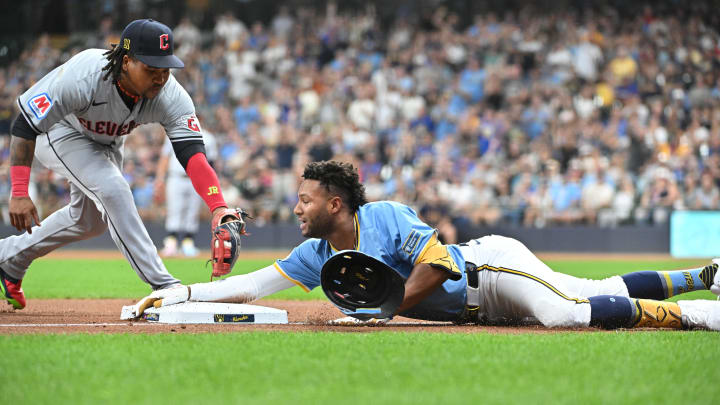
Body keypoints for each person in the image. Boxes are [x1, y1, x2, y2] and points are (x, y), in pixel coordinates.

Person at [133, 161, 720, 330]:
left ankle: (698, 315)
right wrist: (178, 291)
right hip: (480, 311)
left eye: (306, 200)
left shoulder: (385, 216)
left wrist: (384, 311)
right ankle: (704, 277)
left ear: (335, 204)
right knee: (599, 290)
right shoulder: (317, 253)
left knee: (566, 314)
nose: (296, 208)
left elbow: (440, 264)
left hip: (489, 269)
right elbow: (254, 285)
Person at [0, 19, 235, 310]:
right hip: (59, 131)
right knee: (114, 190)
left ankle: (10, 258)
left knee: (87, 222)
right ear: (126, 62)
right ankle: (164, 285)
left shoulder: (170, 94)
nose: (160, 78)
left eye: (165, 70)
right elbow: (24, 123)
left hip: (106, 143)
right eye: (151, 69)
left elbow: (192, 154)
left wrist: (218, 206)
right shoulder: (85, 74)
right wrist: (20, 192)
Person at [155, 126, 219, 257]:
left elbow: (210, 163)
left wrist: (209, 183)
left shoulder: (208, 138)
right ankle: (171, 244)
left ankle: (188, 243)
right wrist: (160, 178)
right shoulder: (173, 132)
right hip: (176, 176)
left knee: (192, 212)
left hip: (196, 178)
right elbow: (165, 157)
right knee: (174, 210)